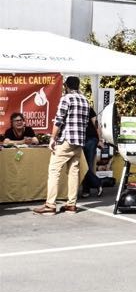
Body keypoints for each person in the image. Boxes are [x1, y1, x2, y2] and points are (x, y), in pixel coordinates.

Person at [33, 76, 89, 215]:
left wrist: (52, 138)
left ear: (66, 86)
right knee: (73, 172)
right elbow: (86, 122)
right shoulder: (85, 100)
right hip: (79, 141)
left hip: (66, 140)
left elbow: (59, 120)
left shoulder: (66, 98)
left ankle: (50, 205)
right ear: (78, 85)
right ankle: (71, 204)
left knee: (54, 170)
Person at [80, 106, 104, 198]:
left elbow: (96, 123)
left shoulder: (87, 107)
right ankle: (97, 183)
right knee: (82, 165)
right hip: (79, 140)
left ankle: (86, 190)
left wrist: (100, 139)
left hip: (90, 139)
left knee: (87, 166)